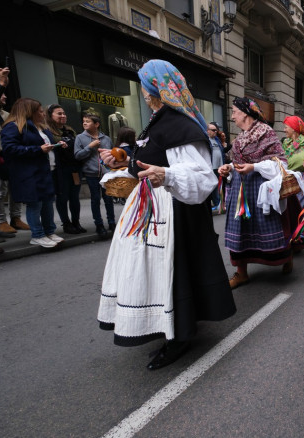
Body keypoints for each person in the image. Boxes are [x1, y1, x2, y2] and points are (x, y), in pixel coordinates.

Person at [97, 59, 235, 370]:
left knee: (174, 273)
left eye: (146, 87)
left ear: (158, 89)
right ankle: (167, 325)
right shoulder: (159, 122)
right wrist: (121, 161)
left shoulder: (179, 126)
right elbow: (149, 161)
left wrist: (169, 177)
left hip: (173, 214)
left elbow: (202, 177)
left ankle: (180, 336)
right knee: (157, 274)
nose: (144, 94)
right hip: (151, 208)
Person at [218, 98, 300, 289]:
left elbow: (281, 164)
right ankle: (241, 273)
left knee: (270, 227)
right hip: (242, 190)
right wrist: (228, 167)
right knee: (240, 230)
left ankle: (286, 258)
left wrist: (253, 167)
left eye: (234, 111)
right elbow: (239, 162)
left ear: (245, 113)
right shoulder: (240, 138)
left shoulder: (266, 133)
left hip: (261, 188)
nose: (232, 116)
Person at [0, 98, 65, 248]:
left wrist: (57, 145)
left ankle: (49, 231)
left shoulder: (41, 127)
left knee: (48, 203)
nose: (43, 114)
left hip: (46, 171)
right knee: (35, 205)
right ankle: (37, 234)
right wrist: (38, 150)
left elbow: (44, 146)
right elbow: (10, 149)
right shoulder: (13, 126)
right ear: (30, 112)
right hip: (28, 173)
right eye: (40, 111)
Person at [0, 74, 29, 234]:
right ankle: (0, 221)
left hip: (12, 157)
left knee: (16, 189)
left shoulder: (7, 115)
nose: (4, 96)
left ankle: (16, 218)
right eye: (0, 93)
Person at [74, 114, 115, 238]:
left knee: (109, 199)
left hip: (106, 174)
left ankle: (112, 223)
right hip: (91, 174)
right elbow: (77, 155)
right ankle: (99, 224)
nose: (84, 123)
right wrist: (90, 147)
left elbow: (112, 154)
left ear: (96, 124)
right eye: (83, 121)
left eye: (88, 121)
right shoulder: (80, 138)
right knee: (95, 199)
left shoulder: (106, 138)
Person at [46, 104, 85, 234]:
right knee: (62, 197)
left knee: (74, 197)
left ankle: (76, 222)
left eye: (64, 113)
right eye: (59, 114)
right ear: (50, 116)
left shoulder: (70, 130)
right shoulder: (47, 131)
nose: (63, 116)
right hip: (60, 169)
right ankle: (66, 223)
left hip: (74, 168)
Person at [207, 122, 224, 212]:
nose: (215, 132)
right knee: (213, 186)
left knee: (218, 186)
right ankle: (217, 203)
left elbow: (221, 152)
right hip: (211, 167)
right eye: (213, 130)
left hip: (219, 167)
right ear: (208, 131)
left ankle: (218, 203)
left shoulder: (217, 140)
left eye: (216, 130)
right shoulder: (206, 140)